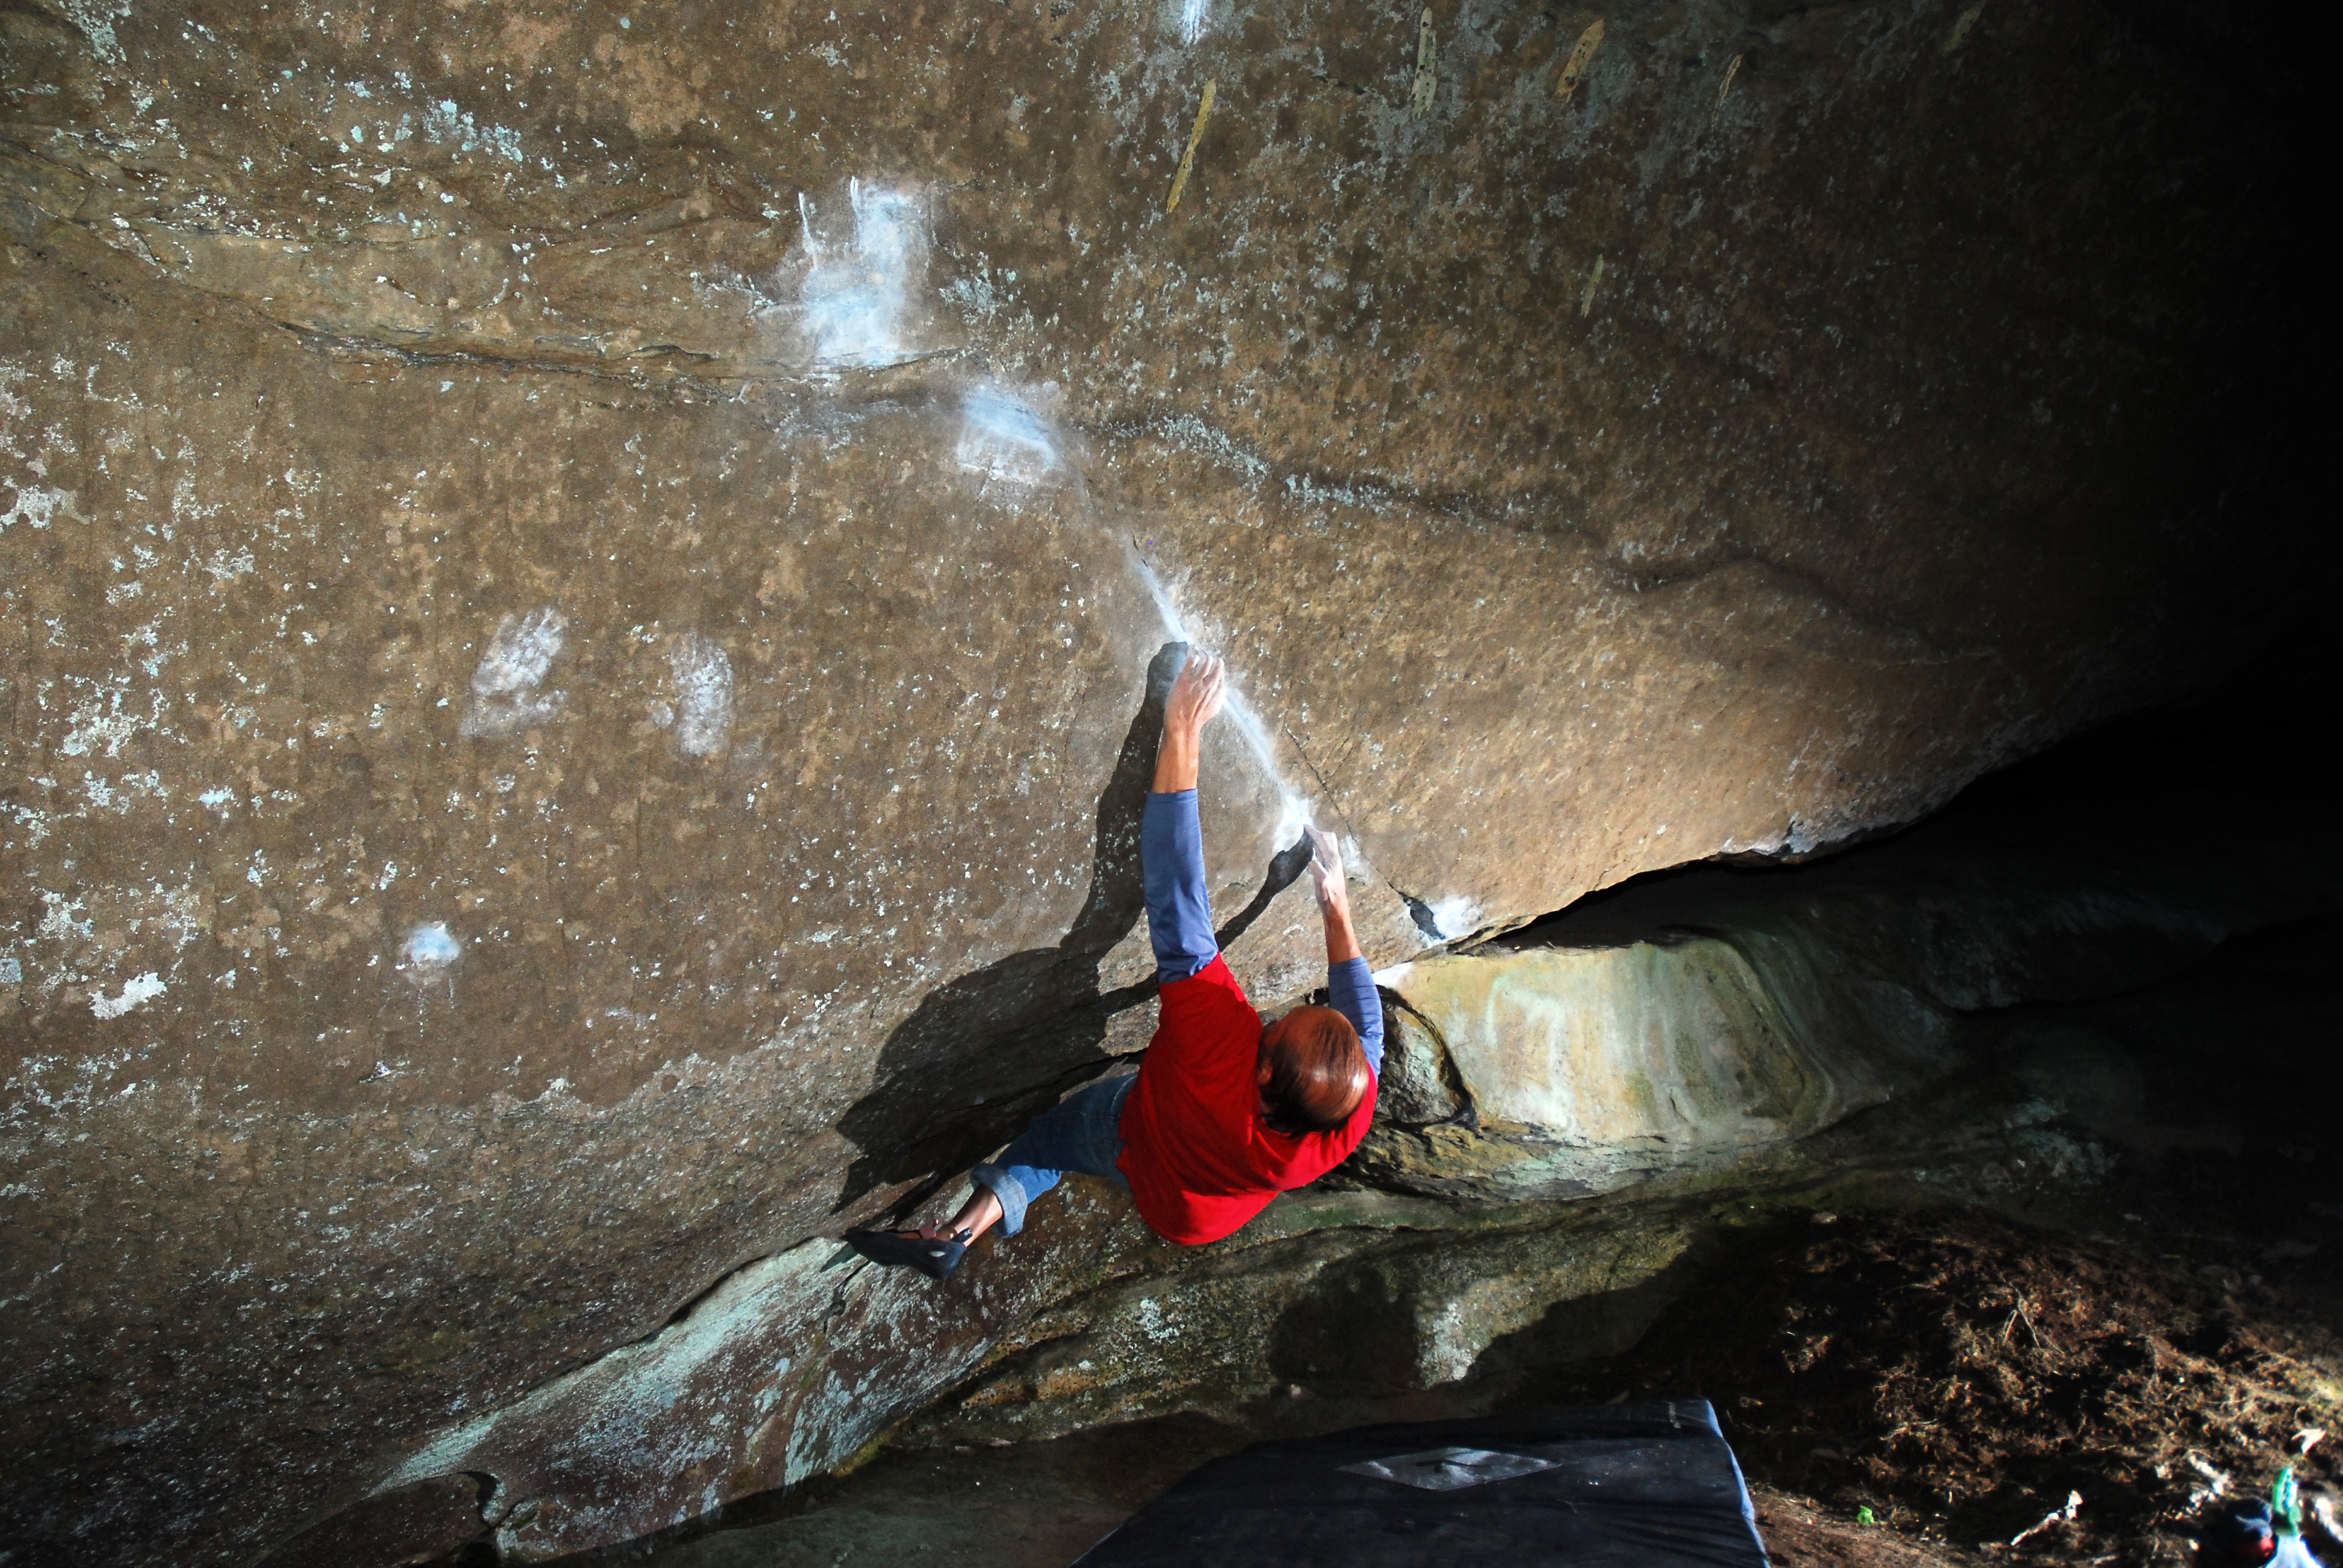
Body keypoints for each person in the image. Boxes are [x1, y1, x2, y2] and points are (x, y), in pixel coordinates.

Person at [845, 651, 1384, 1276]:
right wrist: (1335, 908)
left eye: (1276, 1026)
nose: (1276, 1014)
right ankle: (956, 1237)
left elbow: (1176, 897)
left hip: (1143, 1139)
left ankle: (964, 1230)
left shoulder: (1216, 1038)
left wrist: (1181, 730)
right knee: (1067, 1151)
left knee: (1053, 1140)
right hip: (1191, 1217)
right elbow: (1365, 1028)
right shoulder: (1340, 1115)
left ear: (1263, 1073)